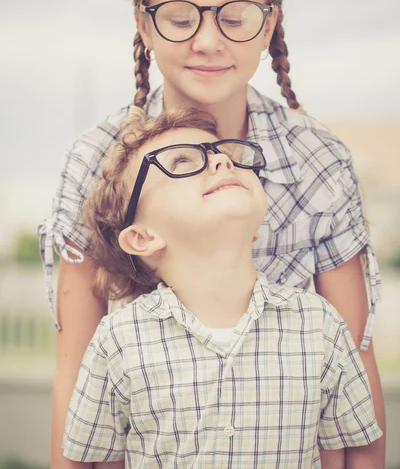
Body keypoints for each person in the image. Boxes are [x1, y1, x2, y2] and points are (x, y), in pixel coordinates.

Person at [38, 0, 385, 468]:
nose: (207, 41)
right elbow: (76, 371)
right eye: (180, 18)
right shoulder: (95, 161)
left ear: (268, 24)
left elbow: (355, 369)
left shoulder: (317, 162)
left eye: (236, 16)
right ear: (145, 23)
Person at [62, 107, 382, 468]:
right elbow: (98, 460)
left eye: (228, 155)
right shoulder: (118, 341)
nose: (222, 163)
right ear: (142, 238)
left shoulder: (320, 326)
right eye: (182, 163)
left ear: (256, 228)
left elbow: (343, 452)